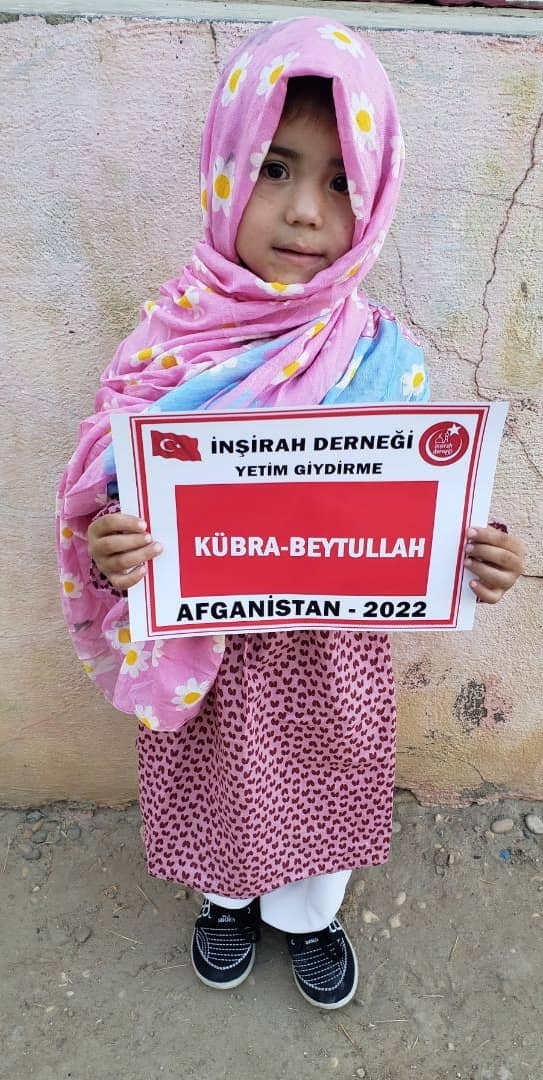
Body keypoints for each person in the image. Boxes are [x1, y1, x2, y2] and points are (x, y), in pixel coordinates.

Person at [56, 17, 525, 1010]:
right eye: (274, 168)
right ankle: (225, 902)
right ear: (226, 165)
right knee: (218, 785)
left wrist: (469, 553)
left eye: (342, 180)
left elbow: (415, 507)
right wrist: (112, 546)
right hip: (208, 651)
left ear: (377, 195)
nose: (307, 211)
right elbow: (105, 494)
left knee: (321, 779)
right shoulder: (166, 346)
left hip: (327, 655)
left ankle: (309, 916)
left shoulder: (380, 358)